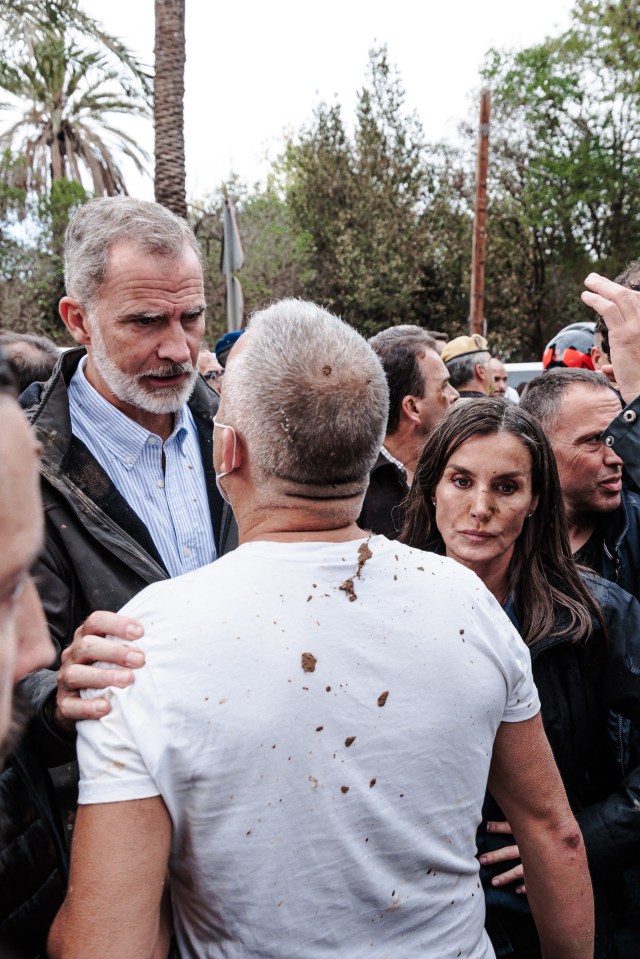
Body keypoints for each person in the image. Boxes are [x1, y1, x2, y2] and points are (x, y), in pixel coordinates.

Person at [49, 300, 593, 959]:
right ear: (373, 449)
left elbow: (107, 940)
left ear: (228, 450)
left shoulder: (138, 643)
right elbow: (554, 834)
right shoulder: (465, 601)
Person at [2, 197, 235, 954]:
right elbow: (19, 679)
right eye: (146, 322)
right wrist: (54, 695)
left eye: (191, 318)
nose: (178, 348)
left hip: (248, 822)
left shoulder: (242, 429)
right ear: (77, 318)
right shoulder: (26, 470)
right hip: (112, 846)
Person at [401, 397, 640, 958]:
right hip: (422, 915)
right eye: (462, 480)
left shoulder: (597, 617)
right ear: (431, 486)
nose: (480, 507)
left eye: (507, 487)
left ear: (535, 501)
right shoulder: (375, 610)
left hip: (561, 916)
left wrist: (588, 836)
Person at [520, 369, 640, 600]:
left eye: (619, 437)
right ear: (538, 445)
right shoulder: (502, 531)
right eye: (595, 440)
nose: (617, 457)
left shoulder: (635, 528)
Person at [358, 325, 458, 537]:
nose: (455, 394)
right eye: (444, 386)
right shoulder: (357, 489)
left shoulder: (459, 465)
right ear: (412, 408)